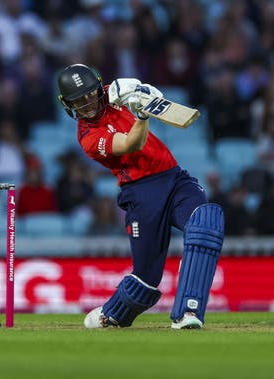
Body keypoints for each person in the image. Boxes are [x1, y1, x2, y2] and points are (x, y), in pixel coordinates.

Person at [57, 64, 224, 329]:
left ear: (99, 88)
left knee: (206, 223)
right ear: (68, 105)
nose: (88, 104)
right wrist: (141, 116)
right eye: (79, 101)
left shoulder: (113, 92)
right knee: (146, 278)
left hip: (174, 177)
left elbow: (144, 92)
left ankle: (188, 313)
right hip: (140, 192)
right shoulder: (88, 137)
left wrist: (144, 93)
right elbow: (132, 143)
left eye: (90, 94)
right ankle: (110, 314)